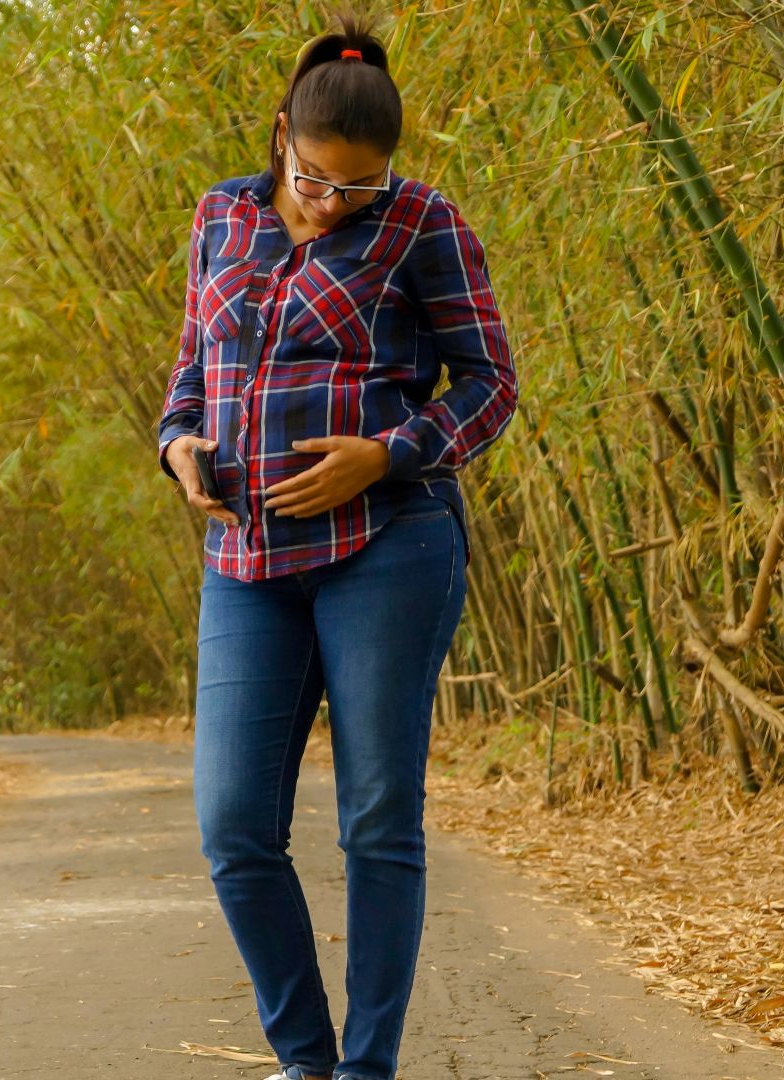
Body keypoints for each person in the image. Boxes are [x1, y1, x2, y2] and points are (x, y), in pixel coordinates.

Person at [155, 15, 517, 1080]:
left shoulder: (424, 225)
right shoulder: (221, 213)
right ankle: (304, 1059)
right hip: (247, 564)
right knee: (232, 827)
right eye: (314, 178)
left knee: (376, 822)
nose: (330, 201)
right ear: (284, 136)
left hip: (386, 548)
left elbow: (491, 384)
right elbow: (190, 369)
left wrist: (394, 452)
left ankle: (364, 1071)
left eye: (356, 188)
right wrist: (177, 441)